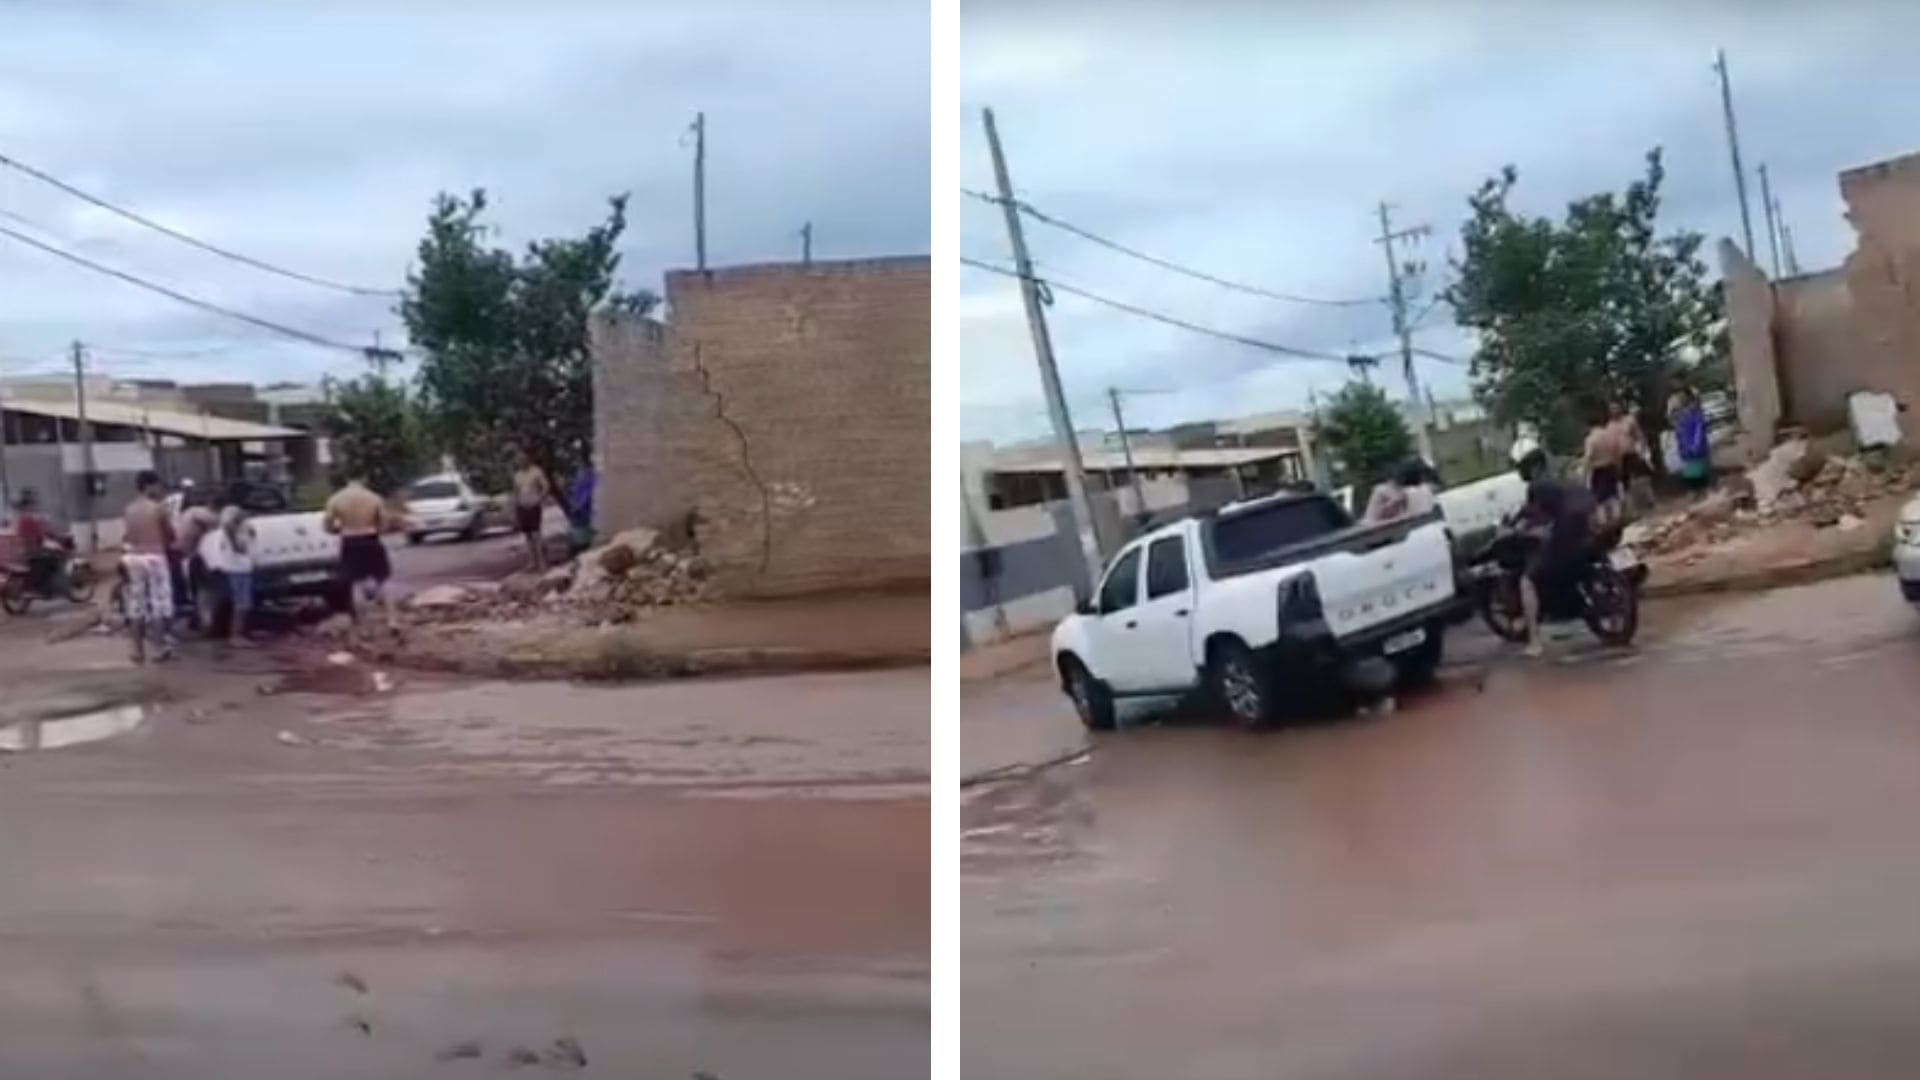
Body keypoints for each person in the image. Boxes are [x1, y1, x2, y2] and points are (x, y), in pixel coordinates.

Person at [1514, 448, 1596, 658]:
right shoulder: (1563, 476)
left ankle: (1534, 642)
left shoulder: (1538, 485)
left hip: (1564, 542)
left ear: (1533, 467)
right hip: (1587, 535)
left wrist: (1522, 526)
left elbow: (1532, 515)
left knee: (1527, 581)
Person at [323, 474, 393, 632]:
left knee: (355, 582)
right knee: (382, 580)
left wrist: (338, 530)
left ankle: (363, 626)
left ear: (346, 480)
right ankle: (392, 619)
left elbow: (327, 524)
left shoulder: (336, 499)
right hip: (371, 539)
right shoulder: (374, 497)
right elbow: (384, 522)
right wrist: (376, 530)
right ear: (363, 480)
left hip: (350, 541)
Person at [121, 471, 177, 663]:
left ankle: (137, 651)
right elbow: (170, 535)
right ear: (148, 486)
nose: (160, 489)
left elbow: (129, 536)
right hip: (155, 557)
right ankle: (159, 649)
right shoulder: (157, 508)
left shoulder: (129, 510)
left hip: (134, 557)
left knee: (136, 605)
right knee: (159, 605)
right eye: (157, 485)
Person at [11, 490, 69, 595]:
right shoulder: (28, 520)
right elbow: (40, 536)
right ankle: (48, 587)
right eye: (31, 505)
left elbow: (41, 533)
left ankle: (47, 586)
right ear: (27, 506)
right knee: (55, 556)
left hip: (27, 549)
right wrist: (53, 539)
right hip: (32, 551)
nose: (33, 507)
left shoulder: (21, 519)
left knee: (52, 554)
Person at [1582, 405, 1626, 530]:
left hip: (1599, 470)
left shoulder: (1591, 439)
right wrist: (1618, 467)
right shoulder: (1610, 435)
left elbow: (1588, 457)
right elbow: (1617, 453)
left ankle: (1604, 523)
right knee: (1613, 496)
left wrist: (1584, 475)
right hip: (1611, 467)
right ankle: (1617, 520)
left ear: (1589, 426)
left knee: (1599, 500)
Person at [511, 449, 552, 572]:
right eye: (518, 460)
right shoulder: (517, 475)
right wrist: (515, 507)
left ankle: (542, 562)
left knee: (536, 534)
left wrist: (540, 498)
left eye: (523, 459)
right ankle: (532, 562)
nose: (521, 462)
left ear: (528, 459)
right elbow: (515, 492)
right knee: (527, 536)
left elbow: (546, 486)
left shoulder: (536, 471)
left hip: (534, 505)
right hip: (522, 506)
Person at [1671, 387, 1712, 494]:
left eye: (1681, 396)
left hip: (1697, 446)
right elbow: (1678, 432)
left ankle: (1704, 491)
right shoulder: (1679, 414)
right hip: (1686, 448)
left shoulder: (1695, 411)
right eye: (1678, 397)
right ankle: (1695, 492)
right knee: (1690, 472)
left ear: (1687, 397)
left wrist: (1696, 443)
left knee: (1701, 470)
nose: (1679, 399)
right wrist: (1681, 446)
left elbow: (1699, 427)